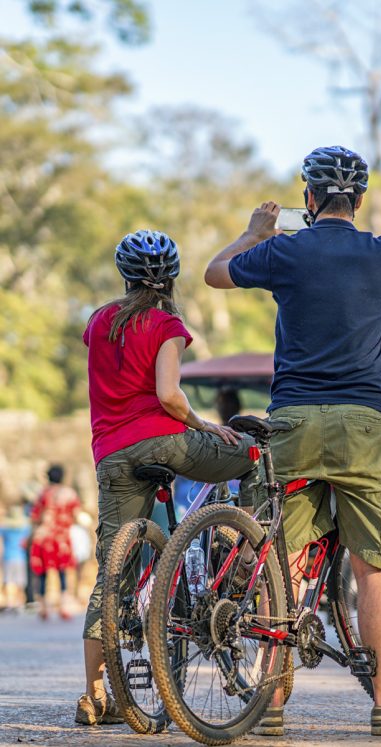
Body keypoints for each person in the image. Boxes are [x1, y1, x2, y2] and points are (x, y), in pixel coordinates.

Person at [205, 145, 381, 737]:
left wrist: (254, 233)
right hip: (363, 424)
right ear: (358, 200)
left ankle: (271, 702)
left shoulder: (283, 250)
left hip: (295, 420)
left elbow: (214, 273)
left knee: (280, 562)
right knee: (374, 566)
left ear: (308, 198)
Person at [77, 229, 262, 726]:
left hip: (112, 454)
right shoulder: (166, 324)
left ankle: (94, 695)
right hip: (165, 441)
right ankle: (242, 553)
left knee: (112, 574)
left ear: (125, 276)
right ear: (172, 278)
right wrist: (204, 425)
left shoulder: (98, 321)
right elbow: (168, 395)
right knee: (254, 455)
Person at [30, 465, 80, 621]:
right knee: (63, 571)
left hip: (44, 536)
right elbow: (76, 514)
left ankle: (43, 607)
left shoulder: (43, 493)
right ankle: (64, 606)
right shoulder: (70, 493)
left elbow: (35, 516)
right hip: (61, 538)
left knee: (42, 573)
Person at [0, 504, 30, 611]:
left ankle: (10, 602)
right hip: (20, 557)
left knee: (8, 580)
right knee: (20, 581)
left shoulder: (4, 529)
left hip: (8, 556)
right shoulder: (25, 528)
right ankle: (19, 602)